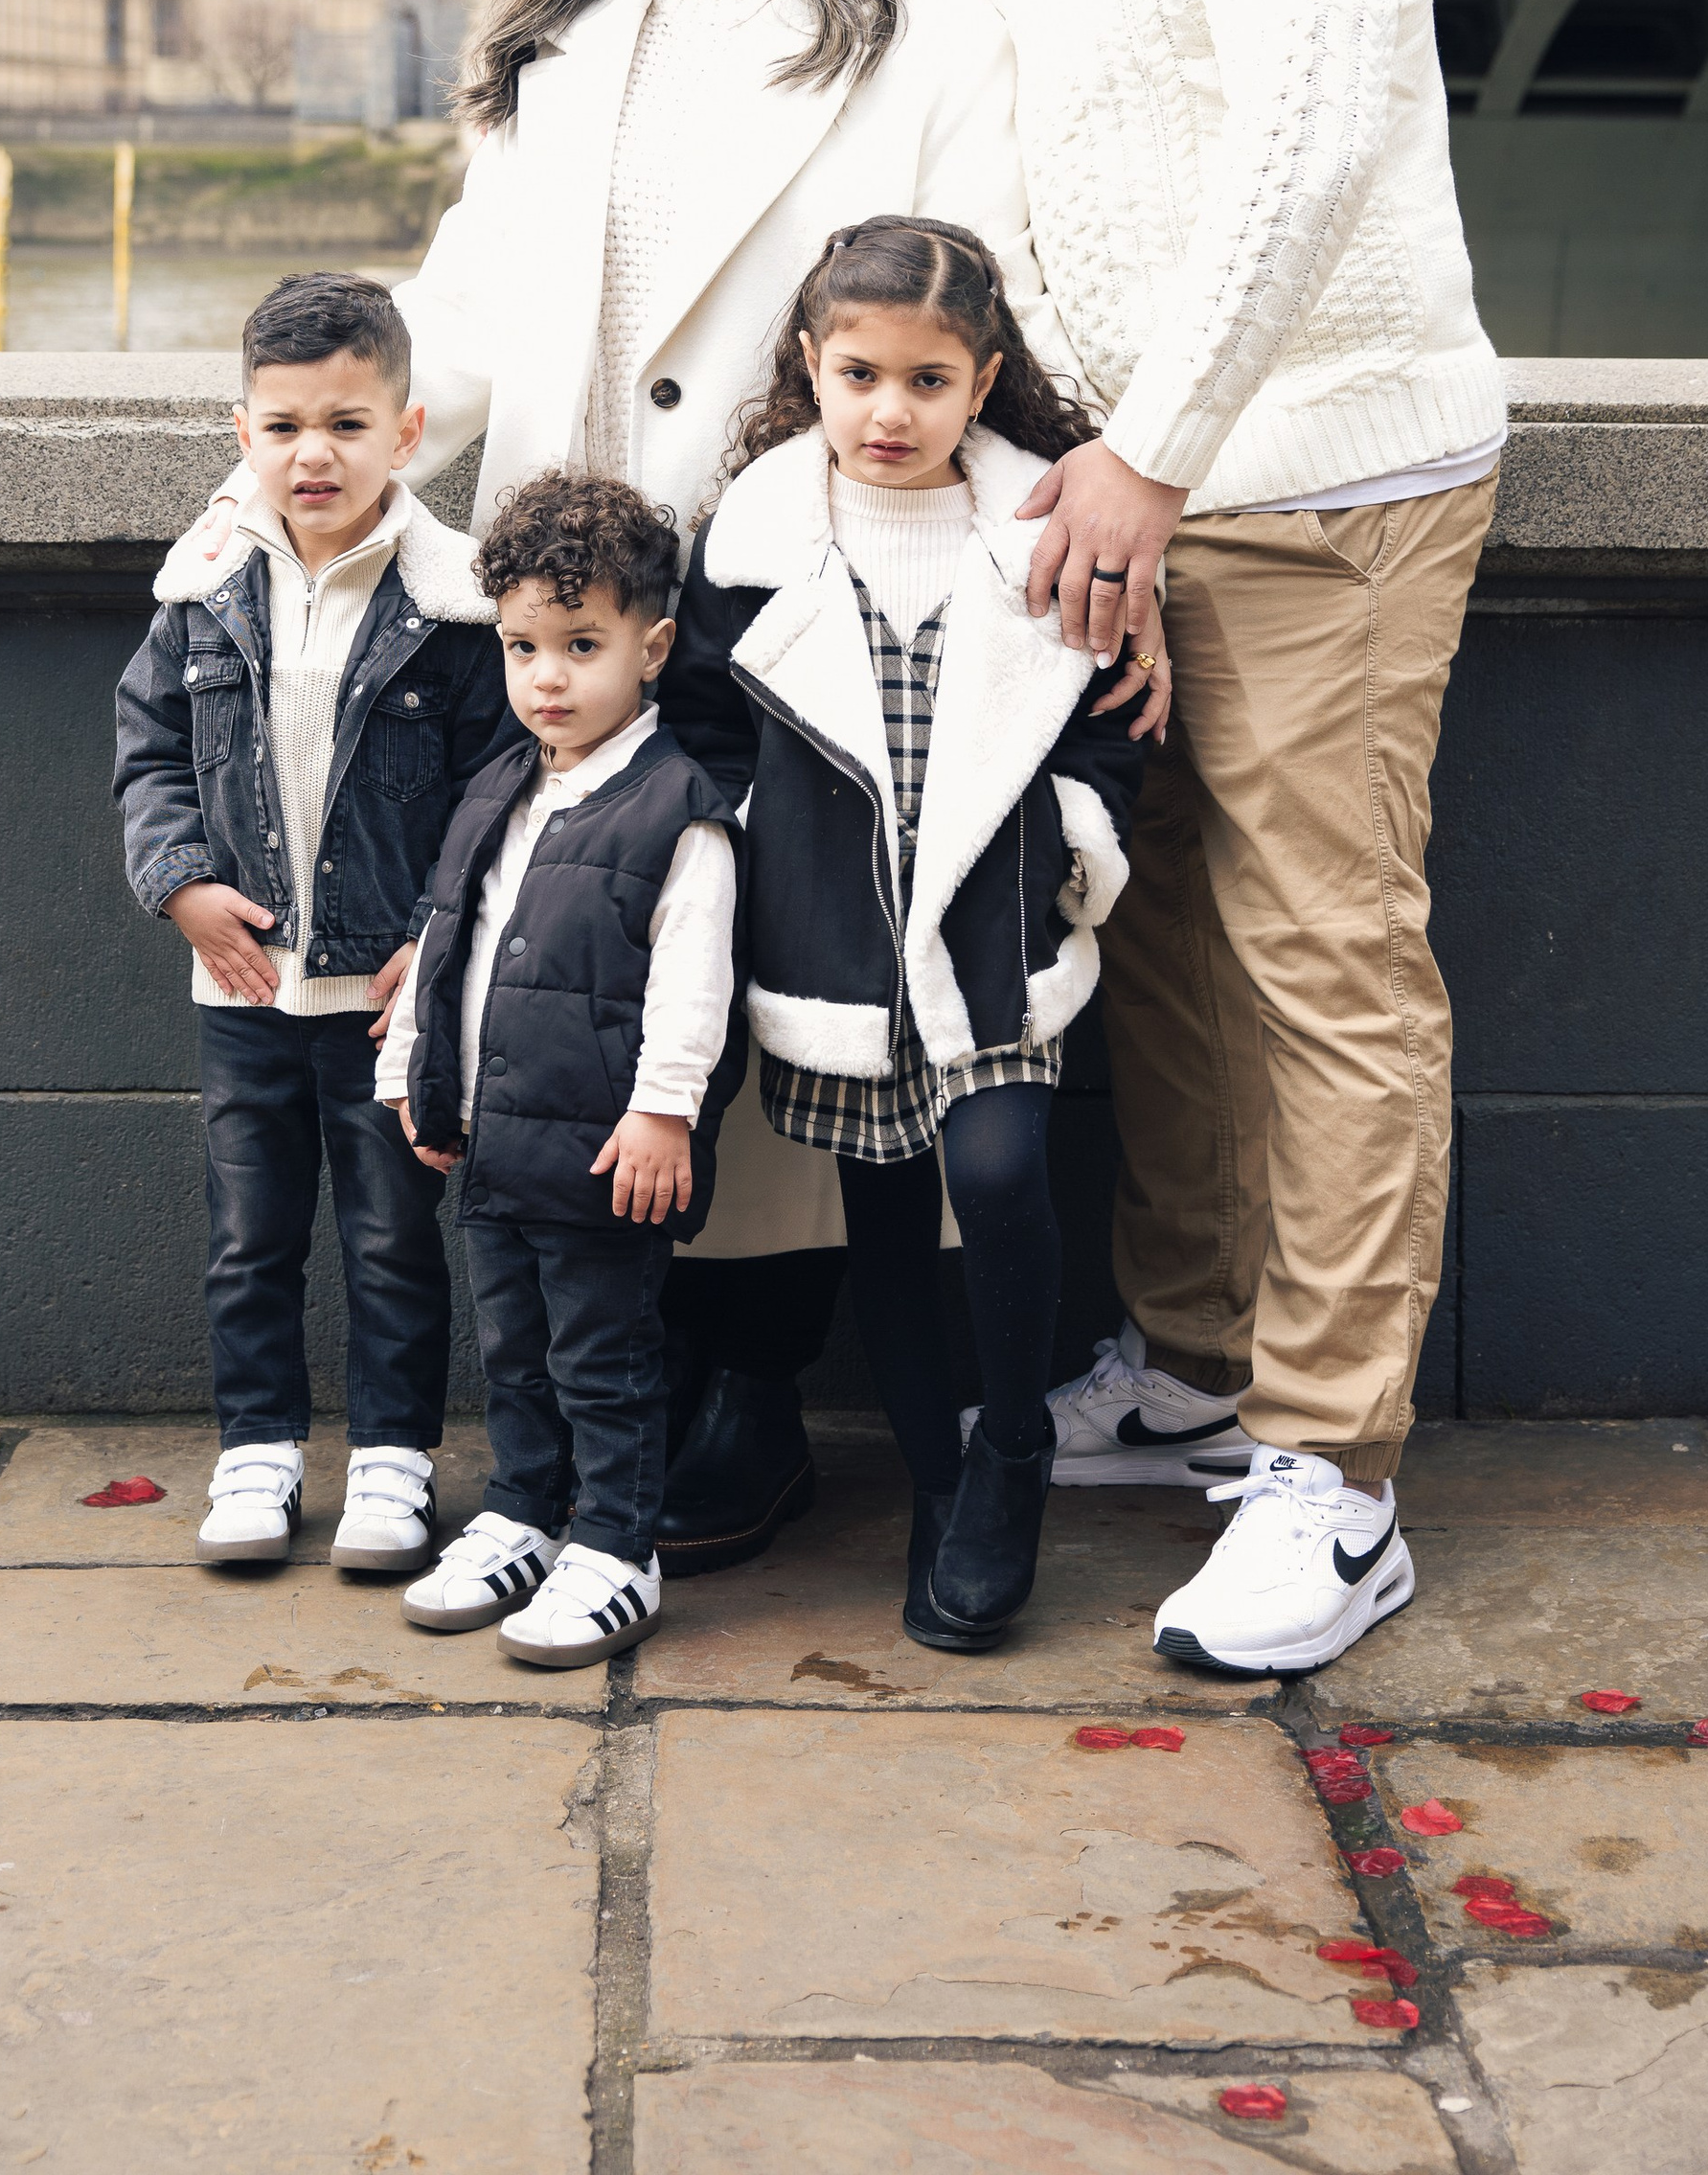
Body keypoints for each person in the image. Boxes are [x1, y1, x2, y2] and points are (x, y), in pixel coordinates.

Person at [175, 0, 1070, 1573]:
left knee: (754, 1008)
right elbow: (462, 327)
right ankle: (629, 1394)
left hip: (778, 596)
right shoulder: (569, 31)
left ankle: (745, 1393)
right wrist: (281, 498)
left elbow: (980, 303)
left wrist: (1074, 513)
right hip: (563, 616)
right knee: (574, 999)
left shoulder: (918, 22)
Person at [899, 0, 1508, 1679]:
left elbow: (1310, 126)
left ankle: (1331, 1481)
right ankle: (1190, 1366)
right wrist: (1081, 471)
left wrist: (1146, 456)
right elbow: (1002, 209)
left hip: (1329, 472)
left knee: (1323, 954)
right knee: (1141, 942)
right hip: (1123, 496)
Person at [665, 218, 1144, 1649]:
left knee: (997, 1173)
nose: (890, 411)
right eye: (860, 373)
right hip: (837, 942)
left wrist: (1078, 839)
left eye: (929, 380)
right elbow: (701, 729)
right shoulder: (747, 542)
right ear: (811, 365)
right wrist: (747, 860)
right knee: (879, 1202)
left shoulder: (1047, 531)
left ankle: (1011, 1462)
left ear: (983, 378)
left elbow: (1117, 725)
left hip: (995, 928)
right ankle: (937, 1481)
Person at [112, 270, 512, 1573]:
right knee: (251, 1238)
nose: (313, 452)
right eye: (283, 426)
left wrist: (441, 930)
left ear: (406, 433)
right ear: (244, 434)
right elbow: (150, 749)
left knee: (396, 1240)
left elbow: (495, 788)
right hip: (241, 994)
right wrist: (177, 879)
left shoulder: (457, 602)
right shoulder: (205, 588)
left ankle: (395, 1465)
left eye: (346, 423)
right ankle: (260, 1455)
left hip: (385, 995)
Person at [376, 472, 740, 1667]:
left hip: (601, 1153)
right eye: (525, 646)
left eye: (581, 646)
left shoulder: (677, 808)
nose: (546, 677)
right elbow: (448, 945)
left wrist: (662, 1113)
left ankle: (617, 1544)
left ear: (653, 646)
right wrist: (418, 1076)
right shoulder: (498, 788)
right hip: (490, 1143)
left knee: (604, 1360)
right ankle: (524, 1513)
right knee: (514, 1353)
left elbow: (696, 982)